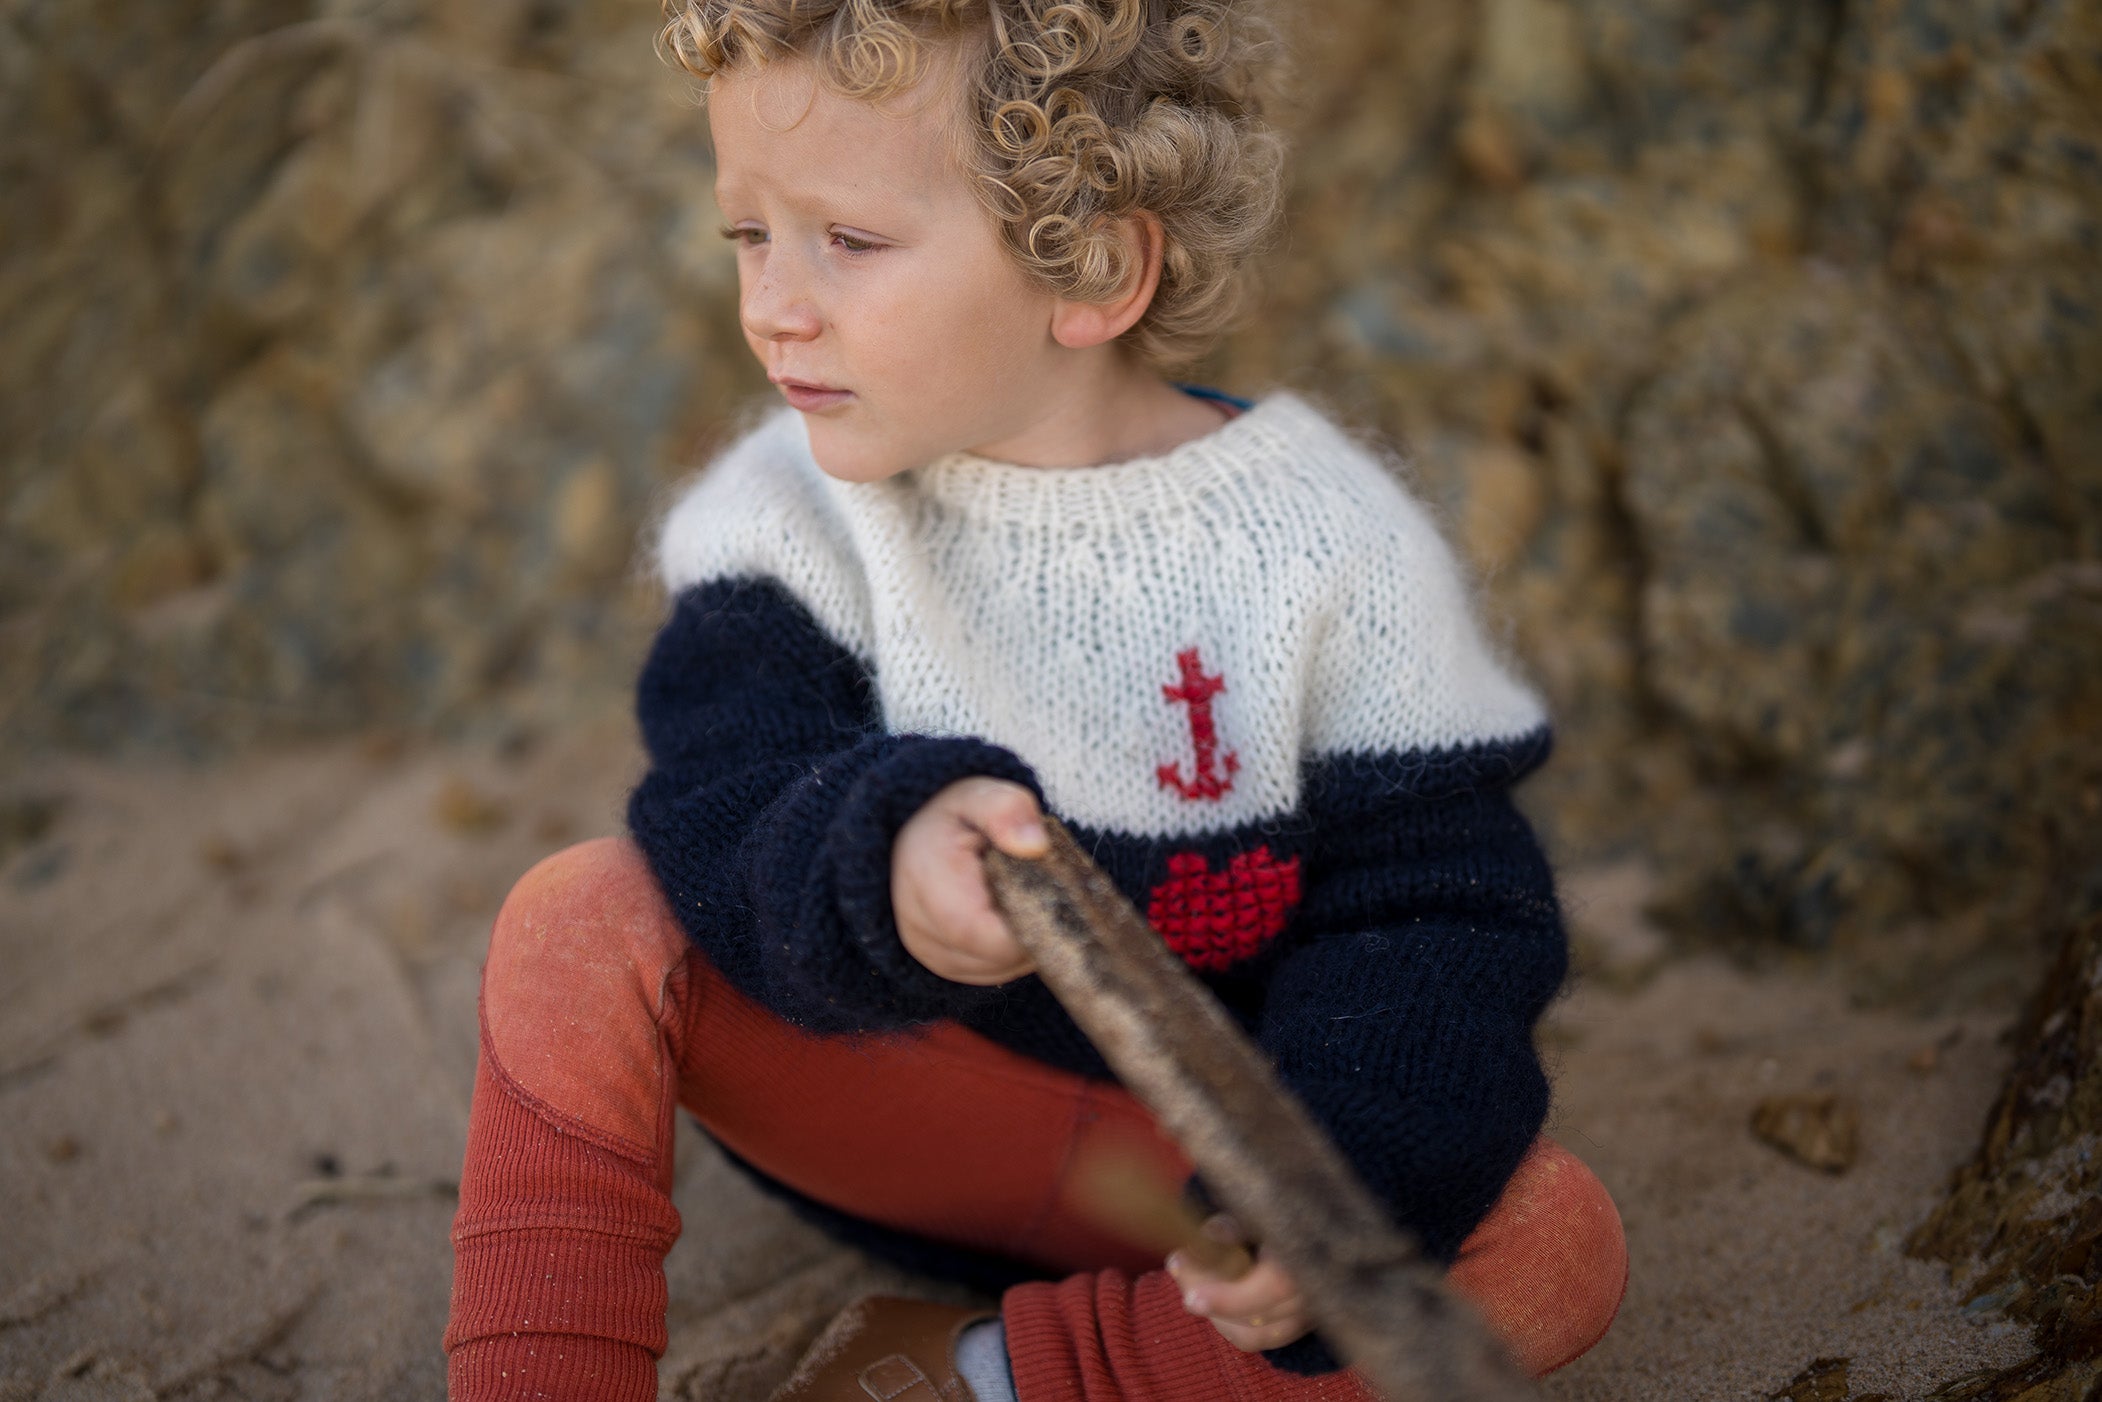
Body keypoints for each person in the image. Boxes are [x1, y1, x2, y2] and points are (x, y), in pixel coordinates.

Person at [443, 0, 1627, 1397]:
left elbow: (1437, 908)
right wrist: (882, 852)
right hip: (907, 1095)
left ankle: (984, 1374)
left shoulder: (1328, 543)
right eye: (748, 234)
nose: (771, 302)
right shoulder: (792, 513)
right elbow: (724, 781)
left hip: (1191, 1177)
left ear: (1096, 267)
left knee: (1551, 1240)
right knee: (580, 915)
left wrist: (1333, 1184)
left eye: (850, 241)